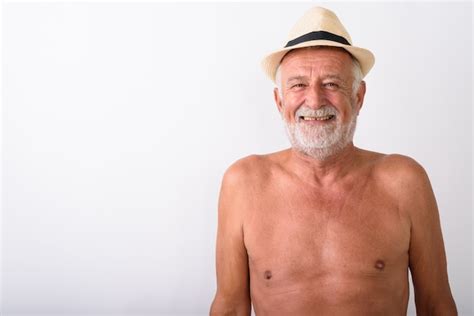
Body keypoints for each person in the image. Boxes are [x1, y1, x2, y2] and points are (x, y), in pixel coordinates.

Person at [209, 6, 457, 316]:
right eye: (298, 84)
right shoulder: (244, 182)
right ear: (279, 100)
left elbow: (436, 306)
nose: (314, 100)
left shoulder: (405, 181)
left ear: (358, 97)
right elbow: (230, 307)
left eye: (331, 84)